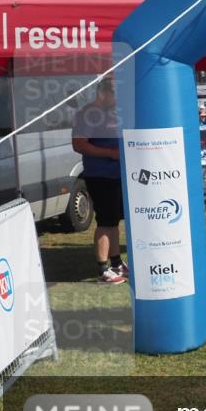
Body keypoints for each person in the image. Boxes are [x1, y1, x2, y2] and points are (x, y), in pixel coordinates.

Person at [71, 77, 127, 284]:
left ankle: (116, 263)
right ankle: (103, 270)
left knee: (113, 221)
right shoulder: (87, 114)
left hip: (116, 175)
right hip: (100, 175)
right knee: (105, 222)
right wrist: (109, 153)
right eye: (114, 94)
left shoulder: (112, 113)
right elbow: (78, 145)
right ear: (102, 93)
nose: (117, 99)